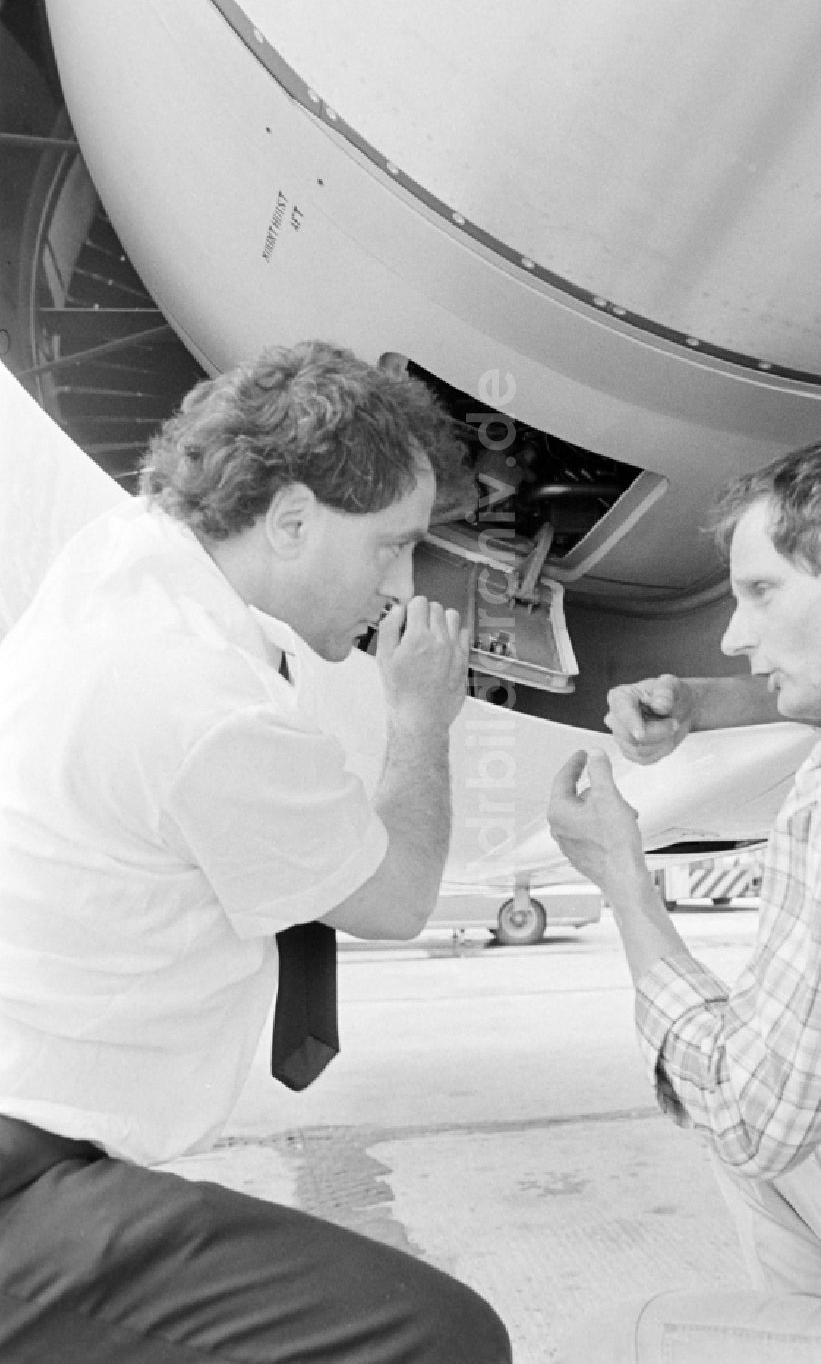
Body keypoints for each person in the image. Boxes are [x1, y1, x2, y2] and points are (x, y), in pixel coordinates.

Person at [0, 341, 511, 1363]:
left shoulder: (127, 566)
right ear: (288, 519)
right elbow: (397, 896)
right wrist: (418, 717)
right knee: (441, 1338)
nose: (402, 581)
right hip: (23, 1187)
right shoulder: (204, 705)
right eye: (390, 545)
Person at [547, 434, 821, 1364]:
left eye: (761, 591)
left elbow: (751, 1113)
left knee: (610, 1338)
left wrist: (624, 882)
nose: (733, 632)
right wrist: (709, 704)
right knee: (800, 1112)